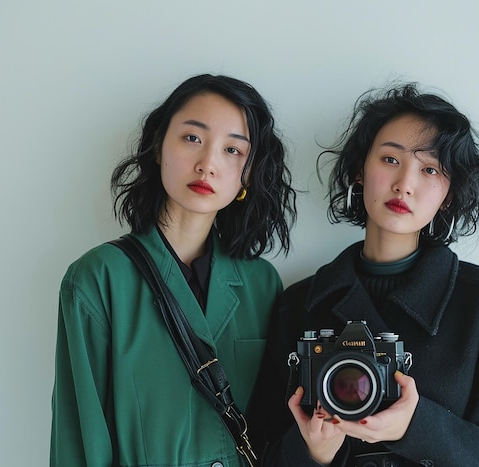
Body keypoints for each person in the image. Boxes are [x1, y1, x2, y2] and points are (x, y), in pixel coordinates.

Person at [250, 82, 479, 466]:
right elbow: (256, 452)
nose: (405, 184)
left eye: (429, 168)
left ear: (448, 193)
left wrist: (418, 428)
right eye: (390, 159)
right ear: (359, 171)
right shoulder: (300, 305)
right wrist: (312, 452)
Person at [50, 74, 296, 466]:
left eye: (233, 150)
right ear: (158, 145)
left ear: (247, 174)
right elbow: (78, 436)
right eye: (193, 138)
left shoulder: (262, 283)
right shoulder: (98, 279)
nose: (208, 164)